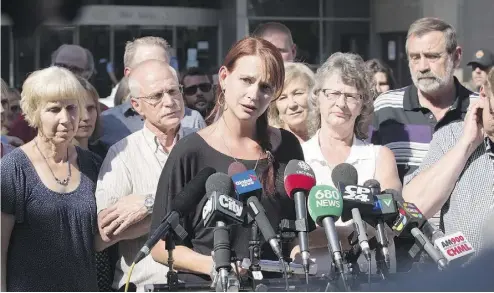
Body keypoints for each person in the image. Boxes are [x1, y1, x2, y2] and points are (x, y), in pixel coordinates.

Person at [149, 37, 315, 283]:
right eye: (246, 80)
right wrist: (215, 265)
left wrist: (300, 255)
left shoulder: (288, 146)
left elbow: (296, 234)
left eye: (265, 87)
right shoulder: (190, 151)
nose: (253, 95)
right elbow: (160, 246)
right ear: (224, 77)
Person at [370, 17, 478, 271]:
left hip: (468, 257)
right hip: (402, 258)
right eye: (414, 57)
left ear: (457, 56)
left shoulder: (479, 112)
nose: (422, 66)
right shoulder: (385, 108)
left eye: (431, 56)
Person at [0, 66, 109, 291]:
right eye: (54, 109)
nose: (66, 119)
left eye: (72, 108)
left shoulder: (92, 164)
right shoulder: (13, 169)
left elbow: (96, 240)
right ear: (34, 112)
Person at [95, 60, 197, 291]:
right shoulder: (122, 155)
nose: (169, 102)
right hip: (145, 285)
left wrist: (150, 203)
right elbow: (104, 235)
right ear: (137, 105)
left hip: (204, 283)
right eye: (156, 96)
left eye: (173, 91)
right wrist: (185, 210)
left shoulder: (206, 142)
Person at [302, 52, 401, 274]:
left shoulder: (380, 156)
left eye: (351, 96)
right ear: (318, 96)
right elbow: (294, 235)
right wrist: (354, 234)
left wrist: (326, 235)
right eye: (333, 93)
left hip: (374, 279)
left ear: (363, 103)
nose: (341, 103)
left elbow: (391, 222)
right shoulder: (298, 157)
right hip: (315, 281)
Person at [403, 68, 494, 254]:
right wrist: (466, 145)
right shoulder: (452, 137)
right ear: (484, 95)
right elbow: (411, 207)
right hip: (462, 279)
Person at [98, 36, 206, 150]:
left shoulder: (192, 120)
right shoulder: (106, 122)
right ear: (128, 74)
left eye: (163, 66)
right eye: (147, 67)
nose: (157, 72)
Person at [267, 62, 315, 142]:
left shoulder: (326, 139)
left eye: (298, 93)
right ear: (275, 106)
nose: (292, 104)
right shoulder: (269, 144)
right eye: (282, 98)